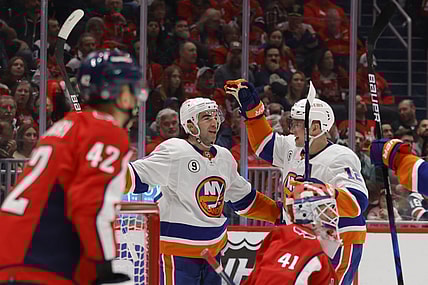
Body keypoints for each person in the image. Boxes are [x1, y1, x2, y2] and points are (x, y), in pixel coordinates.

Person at [0, 49, 145, 285]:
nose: (135, 101)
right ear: (112, 93)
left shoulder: (66, 126)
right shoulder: (106, 130)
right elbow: (90, 205)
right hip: (42, 261)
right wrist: (105, 267)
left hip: (14, 254)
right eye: (130, 91)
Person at [225, 79, 369, 285]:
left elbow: (357, 203)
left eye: (298, 124)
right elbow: (264, 145)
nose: (291, 129)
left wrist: (317, 193)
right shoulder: (292, 147)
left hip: (339, 238)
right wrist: (253, 111)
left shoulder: (340, 157)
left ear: (316, 126)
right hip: (303, 233)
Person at [125, 97, 282, 285]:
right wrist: (100, 167)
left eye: (216, 116)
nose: (214, 121)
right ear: (190, 125)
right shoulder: (175, 151)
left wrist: (280, 214)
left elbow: (245, 200)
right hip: (178, 253)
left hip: (214, 253)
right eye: (206, 117)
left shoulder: (224, 157)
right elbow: (135, 177)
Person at [244, 182, 340, 285]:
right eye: (325, 209)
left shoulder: (278, 234)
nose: (332, 214)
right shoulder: (317, 252)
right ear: (305, 211)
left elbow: (255, 276)